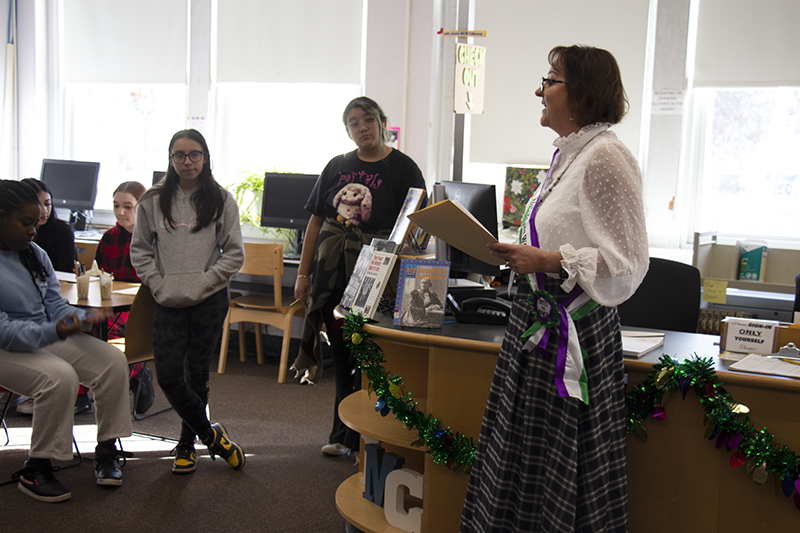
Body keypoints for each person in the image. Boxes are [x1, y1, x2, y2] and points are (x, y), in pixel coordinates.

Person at [460, 45, 649, 532]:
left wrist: (546, 260)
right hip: (536, 322)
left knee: (564, 459)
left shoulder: (606, 157)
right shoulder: (568, 156)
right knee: (525, 455)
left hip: (572, 335)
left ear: (582, 94)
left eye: (551, 80)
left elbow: (627, 263)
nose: (539, 90)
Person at [291, 96, 426, 457]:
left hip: (377, 274)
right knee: (343, 353)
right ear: (347, 130)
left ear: (383, 122)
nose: (362, 127)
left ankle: (371, 436)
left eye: (367, 120)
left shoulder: (404, 168)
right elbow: (317, 221)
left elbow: (414, 225)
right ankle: (342, 434)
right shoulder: (337, 165)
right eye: (353, 123)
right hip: (333, 272)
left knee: (372, 354)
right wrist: (304, 274)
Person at [0, 179, 132, 503]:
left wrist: (79, 319)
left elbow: (54, 304)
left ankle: (106, 450)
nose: (33, 230)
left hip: (42, 335)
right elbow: (5, 332)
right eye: (26, 223)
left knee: (112, 361)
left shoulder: (33, 253)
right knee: (58, 377)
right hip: (7, 345)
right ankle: (36, 467)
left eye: (36, 222)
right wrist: (56, 330)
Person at [131, 128, 245, 475]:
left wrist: (204, 282)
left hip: (209, 301)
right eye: (179, 155)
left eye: (194, 154)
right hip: (167, 300)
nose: (187, 161)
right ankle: (211, 437)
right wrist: (158, 284)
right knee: (168, 376)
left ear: (205, 157)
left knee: (196, 374)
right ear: (170, 159)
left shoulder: (221, 199)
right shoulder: (152, 200)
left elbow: (234, 254)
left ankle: (185, 443)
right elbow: (140, 251)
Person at [18, 178, 82, 415]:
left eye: (48, 204)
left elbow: (64, 274)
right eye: (39, 204)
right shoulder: (16, 240)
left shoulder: (60, 231)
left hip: (55, 298)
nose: (44, 210)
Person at [94, 180, 155, 415]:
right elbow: (101, 276)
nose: (120, 212)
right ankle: (84, 392)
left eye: (128, 207)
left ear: (142, 208)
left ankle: (134, 374)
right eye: (116, 206)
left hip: (142, 308)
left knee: (110, 331)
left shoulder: (154, 239)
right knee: (87, 327)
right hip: (114, 304)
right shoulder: (110, 237)